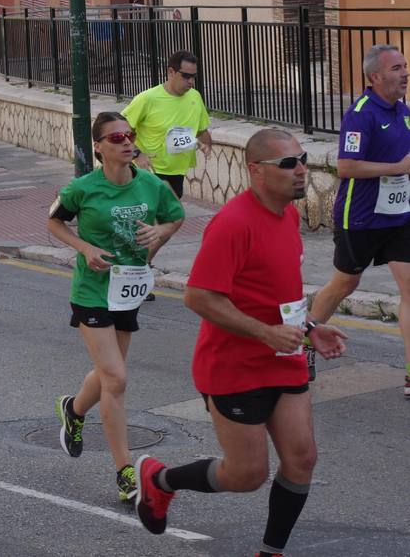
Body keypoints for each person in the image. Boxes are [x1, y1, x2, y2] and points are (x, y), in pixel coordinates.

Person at [133, 129, 348, 552]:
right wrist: (266, 333)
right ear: (256, 171)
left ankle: (270, 552)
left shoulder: (288, 215)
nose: (301, 169)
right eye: (289, 164)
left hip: (282, 358)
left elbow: (276, 295)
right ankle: (160, 479)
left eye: (303, 159)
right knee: (247, 475)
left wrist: (308, 329)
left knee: (302, 459)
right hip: (233, 368)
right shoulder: (232, 223)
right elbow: (197, 296)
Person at [47, 111, 185, 503]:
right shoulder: (83, 188)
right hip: (92, 290)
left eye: (129, 135)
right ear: (99, 147)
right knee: (117, 378)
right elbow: (54, 223)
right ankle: (125, 470)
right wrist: (86, 248)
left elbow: (175, 217)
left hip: (129, 289)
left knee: (111, 374)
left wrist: (158, 236)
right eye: (116, 137)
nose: (126, 142)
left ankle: (74, 409)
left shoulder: (151, 186)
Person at [309, 43, 410, 398]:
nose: (405, 73)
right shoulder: (361, 113)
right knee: (343, 285)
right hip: (362, 217)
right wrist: (397, 168)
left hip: (398, 216)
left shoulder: (403, 111)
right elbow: (346, 166)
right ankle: (305, 340)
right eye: (396, 68)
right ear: (375, 76)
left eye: (405, 66)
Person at [124, 50, 213, 199]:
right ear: (171, 72)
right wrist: (137, 153)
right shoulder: (148, 99)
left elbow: (201, 130)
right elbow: (120, 131)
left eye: (194, 76)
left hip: (177, 172)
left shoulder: (195, 97)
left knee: (170, 218)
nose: (191, 81)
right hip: (150, 172)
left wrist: (206, 144)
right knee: (155, 217)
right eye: (186, 76)